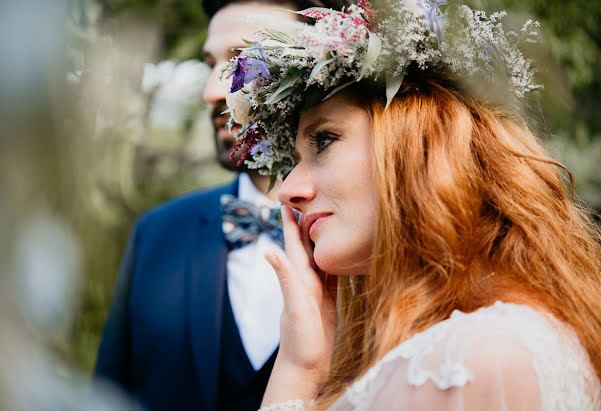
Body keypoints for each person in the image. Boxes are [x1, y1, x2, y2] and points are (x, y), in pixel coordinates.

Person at [222, 1, 601, 409]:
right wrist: (305, 361)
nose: (287, 190)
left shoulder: (461, 360)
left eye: (324, 140)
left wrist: (297, 374)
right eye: (296, 161)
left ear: (422, 141)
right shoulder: (493, 335)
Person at [94, 1, 351, 410]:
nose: (212, 91)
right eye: (211, 63)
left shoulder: (377, 242)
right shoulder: (156, 233)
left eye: (244, 59)